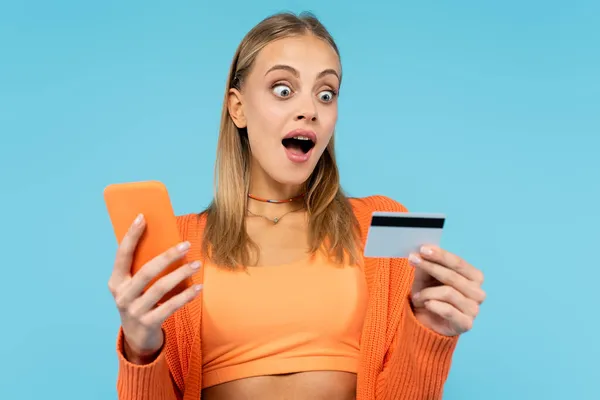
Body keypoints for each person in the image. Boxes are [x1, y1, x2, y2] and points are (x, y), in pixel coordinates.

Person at [108, 11, 486, 400]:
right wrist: (141, 349)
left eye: (326, 93)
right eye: (283, 89)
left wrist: (429, 329)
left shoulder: (382, 221)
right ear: (237, 108)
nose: (310, 109)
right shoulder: (177, 242)